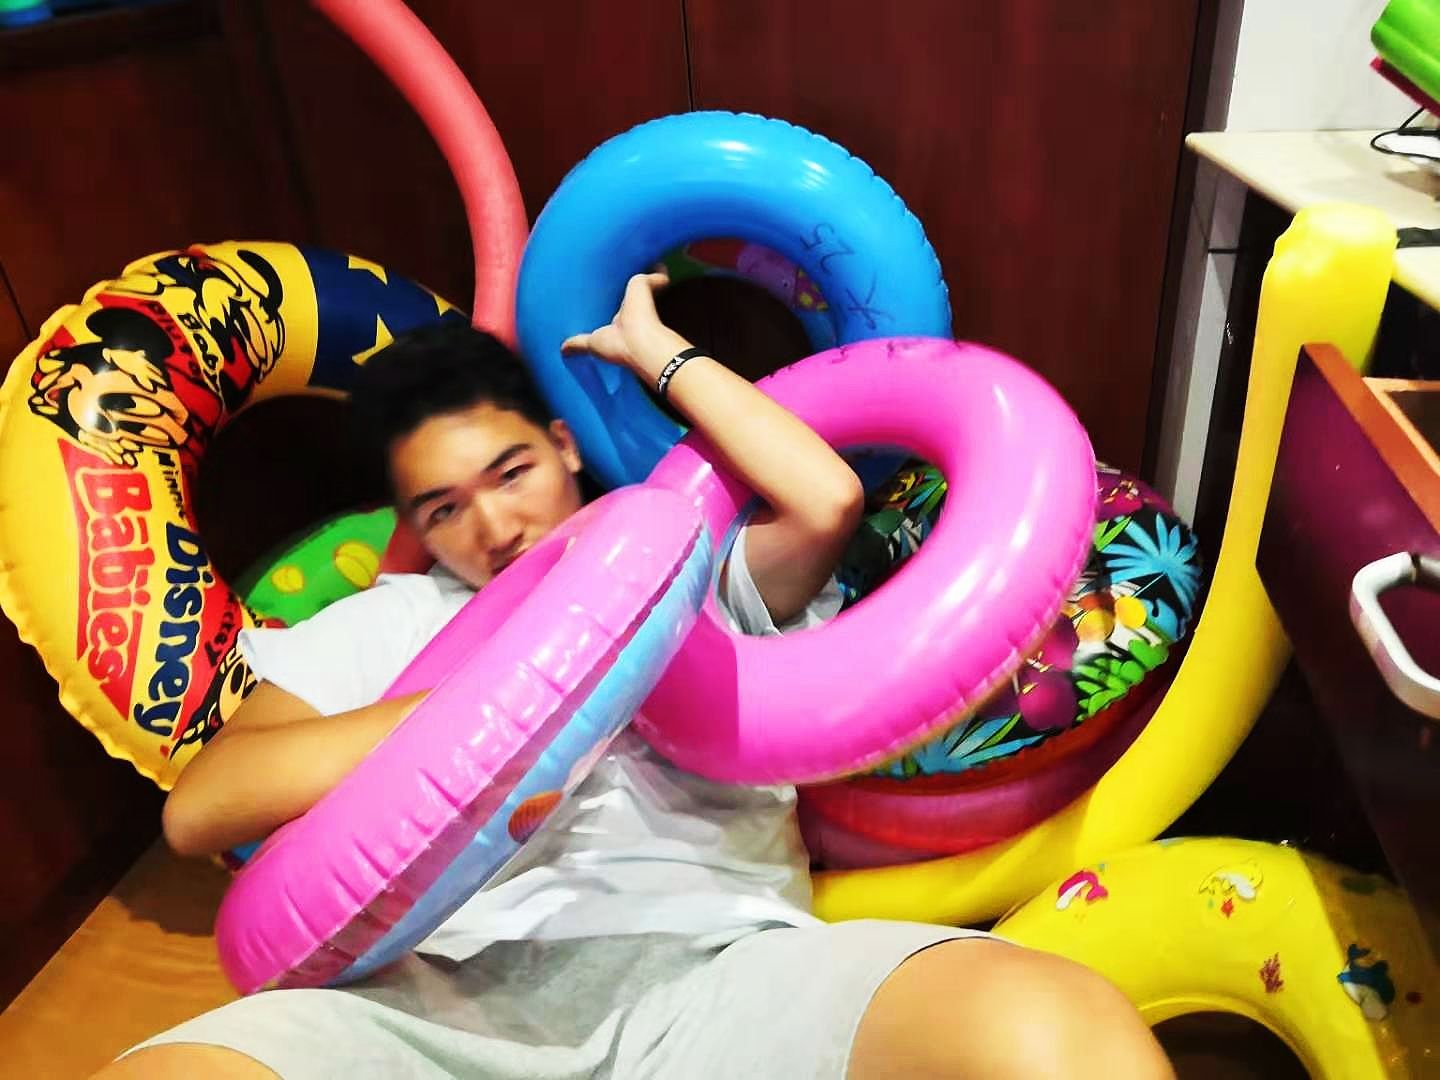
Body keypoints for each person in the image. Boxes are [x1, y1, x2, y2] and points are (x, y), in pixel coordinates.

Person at [101, 272, 1173, 1079]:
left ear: (564, 446)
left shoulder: (689, 573)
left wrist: (657, 352)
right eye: (444, 508)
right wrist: (499, 706)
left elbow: (828, 500)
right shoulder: (394, 623)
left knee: (1054, 1025)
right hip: (444, 999)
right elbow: (203, 808)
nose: (493, 525)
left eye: (511, 472)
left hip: (725, 970)